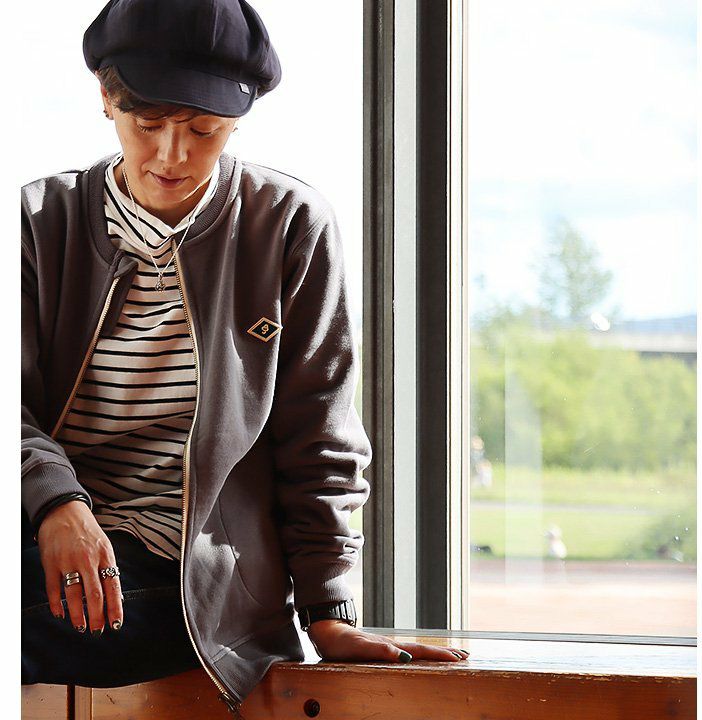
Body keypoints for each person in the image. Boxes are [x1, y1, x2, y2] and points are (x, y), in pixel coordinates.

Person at [20, 0, 469, 714]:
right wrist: (57, 503)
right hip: (39, 532)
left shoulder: (289, 226)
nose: (172, 155)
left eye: (203, 129)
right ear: (106, 97)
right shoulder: (39, 223)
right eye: (148, 123)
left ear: (240, 118)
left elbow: (318, 433)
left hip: (187, 578)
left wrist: (329, 610)